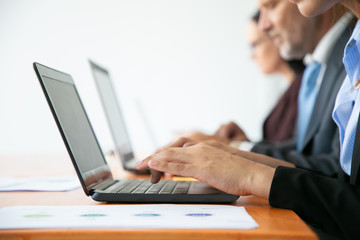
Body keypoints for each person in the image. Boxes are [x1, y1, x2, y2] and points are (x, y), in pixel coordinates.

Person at [136, 0, 360, 239]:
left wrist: (251, 174)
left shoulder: (342, 55)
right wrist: (234, 156)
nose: (263, 24)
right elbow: (340, 180)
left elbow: (336, 179)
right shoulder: (352, 50)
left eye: (272, 5)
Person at [189, 1, 354, 178]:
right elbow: (303, 149)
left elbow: (339, 171)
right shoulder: (316, 67)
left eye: (271, 6)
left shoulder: (351, 54)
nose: (264, 25)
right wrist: (238, 148)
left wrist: (238, 157)